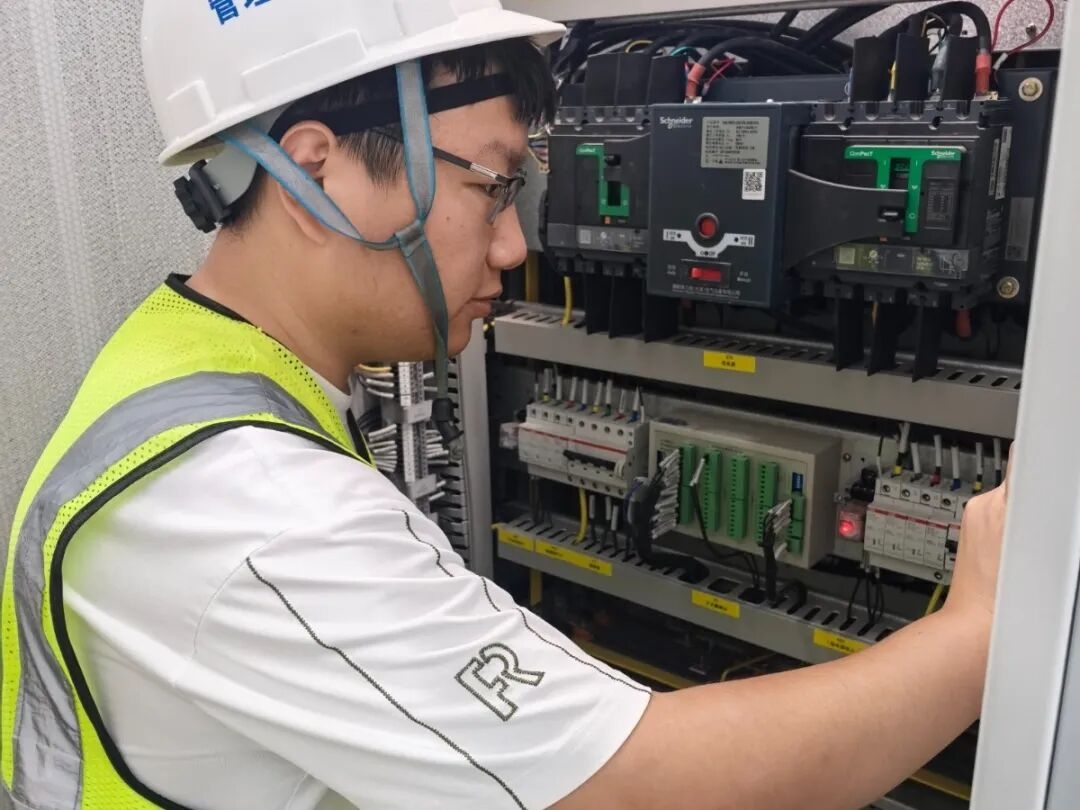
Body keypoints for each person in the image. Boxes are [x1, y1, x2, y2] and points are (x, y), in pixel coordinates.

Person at [0, 2, 1010, 809]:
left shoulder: (185, 362)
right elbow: (644, 788)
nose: (516, 244)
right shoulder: (255, 508)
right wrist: (978, 628)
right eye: (494, 185)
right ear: (318, 166)